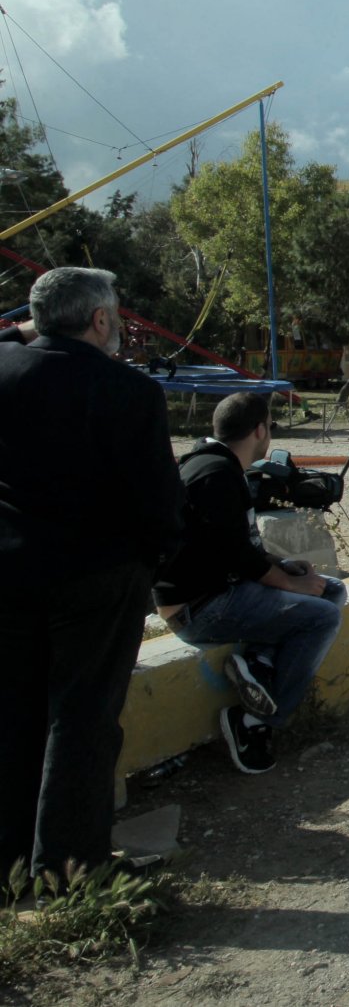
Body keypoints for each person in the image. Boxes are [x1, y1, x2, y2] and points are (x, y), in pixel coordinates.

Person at [0, 268, 182, 885]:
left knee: (14, 710)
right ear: (100, 320)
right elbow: (160, 501)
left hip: (9, 569)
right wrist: (153, 565)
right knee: (81, 719)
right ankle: (73, 868)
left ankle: (12, 863)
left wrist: (34, 325)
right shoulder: (127, 391)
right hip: (96, 576)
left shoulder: (5, 368)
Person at [155, 391, 347, 774]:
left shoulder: (218, 465)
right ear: (260, 430)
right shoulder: (215, 475)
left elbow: (235, 546)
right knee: (322, 616)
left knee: (333, 589)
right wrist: (290, 585)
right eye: (270, 427)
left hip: (222, 588)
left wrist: (284, 565)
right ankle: (256, 722)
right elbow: (234, 556)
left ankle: (258, 663)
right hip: (201, 607)